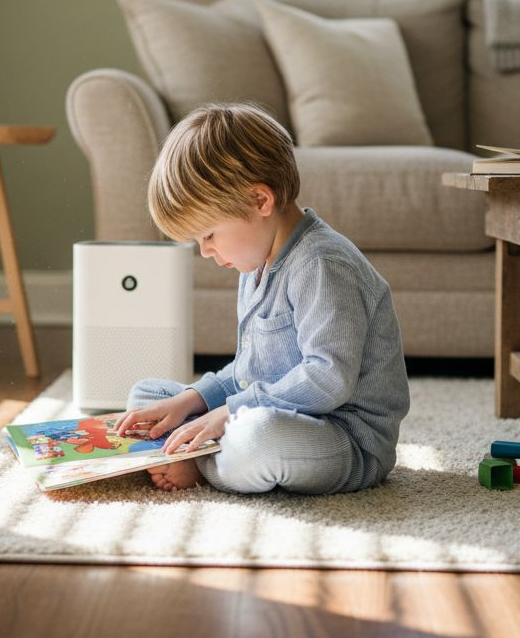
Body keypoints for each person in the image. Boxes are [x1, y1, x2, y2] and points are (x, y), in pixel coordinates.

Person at [113, 103, 411, 494]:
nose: (204, 252)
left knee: (258, 439)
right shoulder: (257, 262)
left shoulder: (322, 264)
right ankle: (196, 448)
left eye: (209, 236)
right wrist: (195, 399)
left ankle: (202, 467)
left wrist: (229, 412)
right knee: (147, 397)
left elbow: (328, 379)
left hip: (341, 437)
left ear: (259, 201)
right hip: (267, 409)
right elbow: (248, 372)